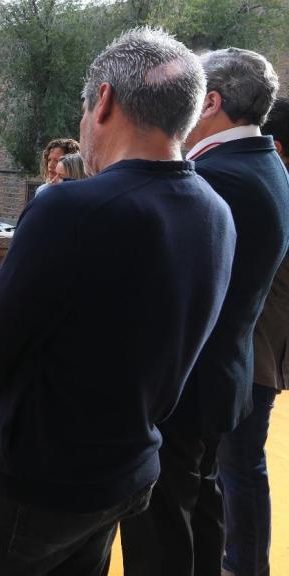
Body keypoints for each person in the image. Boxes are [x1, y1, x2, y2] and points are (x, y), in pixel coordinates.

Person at [0, 28, 236, 575]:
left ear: (103, 101)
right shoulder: (216, 212)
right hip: (129, 471)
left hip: (35, 480)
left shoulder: (70, 209)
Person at [122, 48, 289, 576]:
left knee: (163, 524)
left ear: (210, 102)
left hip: (186, 385)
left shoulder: (218, 177)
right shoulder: (263, 163)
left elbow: (166, 288)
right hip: (222, 376)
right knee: (205, 507)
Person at [215, 97, 289, 576]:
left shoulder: (270, 188)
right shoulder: (277, 185)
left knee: (240, 467)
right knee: (240, 468)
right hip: (264, 349)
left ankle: (245, 566)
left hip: (255, 350)